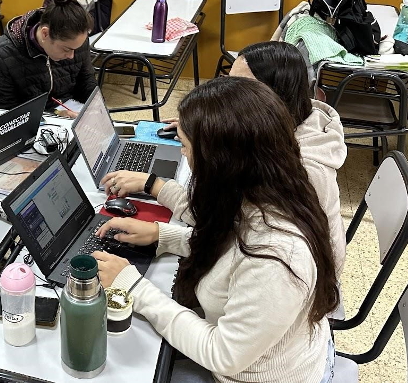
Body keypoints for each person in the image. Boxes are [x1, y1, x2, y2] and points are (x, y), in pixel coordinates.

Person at [93, 77, 338, 383]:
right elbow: (233, 247)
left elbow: (223, 355)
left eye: (185, 146)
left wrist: (134, 288)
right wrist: (164, 236)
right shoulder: (265, 193)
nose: (183, 155)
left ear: (221, 162)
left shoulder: (279, 257)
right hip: (248, 351)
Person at [157, 41, 347, 275]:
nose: (229, 94)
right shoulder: (296, 121)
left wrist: (157, 187)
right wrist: (205, 126)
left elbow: (227, 220)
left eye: (242, 87)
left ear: (269, 99)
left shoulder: (299, 170)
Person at [0, 0, 96, 117]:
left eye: (76, 48)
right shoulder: (4, 54)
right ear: (45, 34)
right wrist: (56, 114)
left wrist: (96, 110)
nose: (71, 56)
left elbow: (86, 81)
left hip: (69, 110)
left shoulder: (76, 40)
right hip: (32, 120)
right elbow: (6, 111)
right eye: (67, 49)